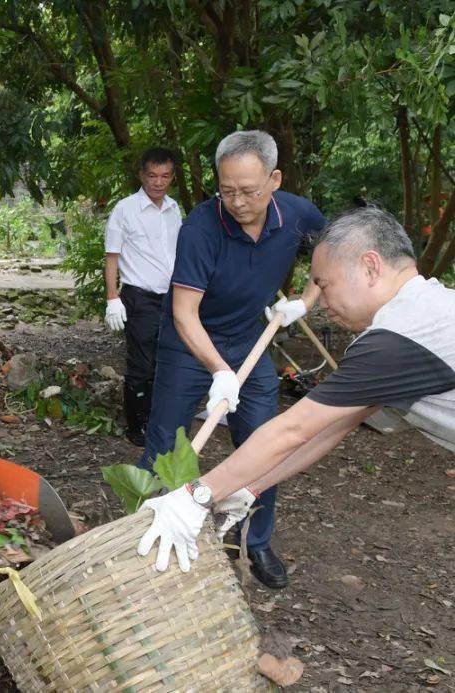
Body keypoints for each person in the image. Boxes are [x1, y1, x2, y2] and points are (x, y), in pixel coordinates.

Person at [137, 206, 455, 573]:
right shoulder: (417, 314)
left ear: (370, 267)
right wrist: (248, 488)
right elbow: (332, 426)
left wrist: (196, 496)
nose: (322, 302)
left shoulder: (396, 338)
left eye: (324, 284)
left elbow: (293, 429)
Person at [138, 130, 326, 589]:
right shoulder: (202, 227)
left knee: (267, 443)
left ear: (275, 179)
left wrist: (305, 300)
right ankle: (141, 535)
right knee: (166, 443)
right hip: (190, 343)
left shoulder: (297, 214)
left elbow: (330, 252)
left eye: (248, 190)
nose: (237, 202)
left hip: (250, 339)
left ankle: (253, 540)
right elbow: (184, 314)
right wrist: (219, 370)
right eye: (226, 191)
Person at [104, 148, 183, 446]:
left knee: (169, 359)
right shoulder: (125, 209)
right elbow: (112, 257)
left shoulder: (175, 209)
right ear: (141, 175)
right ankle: (136, 426)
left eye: (164, 176)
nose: (158, 182)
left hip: (172, 297)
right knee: (142, 364)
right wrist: (113, 298)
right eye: (152, 175)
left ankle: (160, 418)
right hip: (140, 297)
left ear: (172, 178)